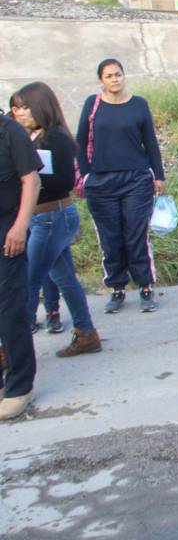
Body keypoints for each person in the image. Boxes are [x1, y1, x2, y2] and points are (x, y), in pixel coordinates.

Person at [10, 83, 100, 358]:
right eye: (16, 108)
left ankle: (13, 349)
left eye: (25, 107)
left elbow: (64, 181)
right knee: (64, 278)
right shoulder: (32, 137)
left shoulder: (55, 138)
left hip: (51, 215)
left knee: (28, 281)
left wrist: (30, 178)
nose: (20, 113)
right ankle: (86, 333)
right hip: (47, 217)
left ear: (40, 106)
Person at [76, 58, 166, 314]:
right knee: (110, 237)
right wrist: (86, 175)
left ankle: (146, 286)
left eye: (118, 74)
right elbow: (80, 141)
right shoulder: (92, 105)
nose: (115, 79)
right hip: (101, 182)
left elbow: (150, 142)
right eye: (109, 76)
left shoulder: (138, 104)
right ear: (101, 81)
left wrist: (158, 176)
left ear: (124, 76)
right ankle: (116, 287)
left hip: (136, 179)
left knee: (135, 234)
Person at [0, 106, 42, 420]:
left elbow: (31, 181)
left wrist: (20, 225)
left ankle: (19, 387)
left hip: (7, 231)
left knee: (10, 308)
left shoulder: (10, 131)